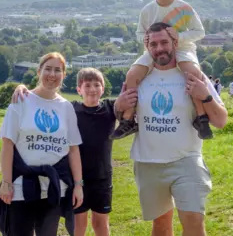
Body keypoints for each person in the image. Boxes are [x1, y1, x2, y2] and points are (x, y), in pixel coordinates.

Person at [118, 22, 227, 236]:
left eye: (164, 42)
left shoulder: (193, 76)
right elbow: (122, 115)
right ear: (147, 47)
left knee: (194, 225)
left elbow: (221, 120)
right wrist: (119, 107)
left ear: (175, 42)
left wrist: (204, 95)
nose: (160, 48)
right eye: (154, 44)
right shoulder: (140, 78)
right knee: (161, 227)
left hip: (186, 161)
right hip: (148, 163)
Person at [10, 68, 138, 236]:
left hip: (103, 178)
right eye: (87, 85)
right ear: (79, 89)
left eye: (97, 85)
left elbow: (129, 107)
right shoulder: (70, 109)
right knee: (78, 226)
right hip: (77, 179)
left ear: (103, 88)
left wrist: (128, 95)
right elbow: (45, 101)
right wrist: (21, 87)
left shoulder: (110, 107)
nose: (92, 89)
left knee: (101, 225)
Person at [111, 0, 212, 140]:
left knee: (193, 73)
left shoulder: (184, 8)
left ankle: (201, 117)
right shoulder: (147, 10)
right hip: (154, 50)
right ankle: (128, 119)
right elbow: (139, 33)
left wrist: (179, 37)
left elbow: (199, 32)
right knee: (132, 74)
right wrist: (146, 41)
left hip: (181, 48)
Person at [0, 52, 84, 236]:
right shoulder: (21, 100)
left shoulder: (66, 107)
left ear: (63, 75)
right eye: (48, 69)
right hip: (20, 186)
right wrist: (6, 182)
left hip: (54, 186)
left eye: (57, 70)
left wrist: (78, 185)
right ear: (38, 72)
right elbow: (7, 145)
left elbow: (73, 150)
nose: (52, 74)